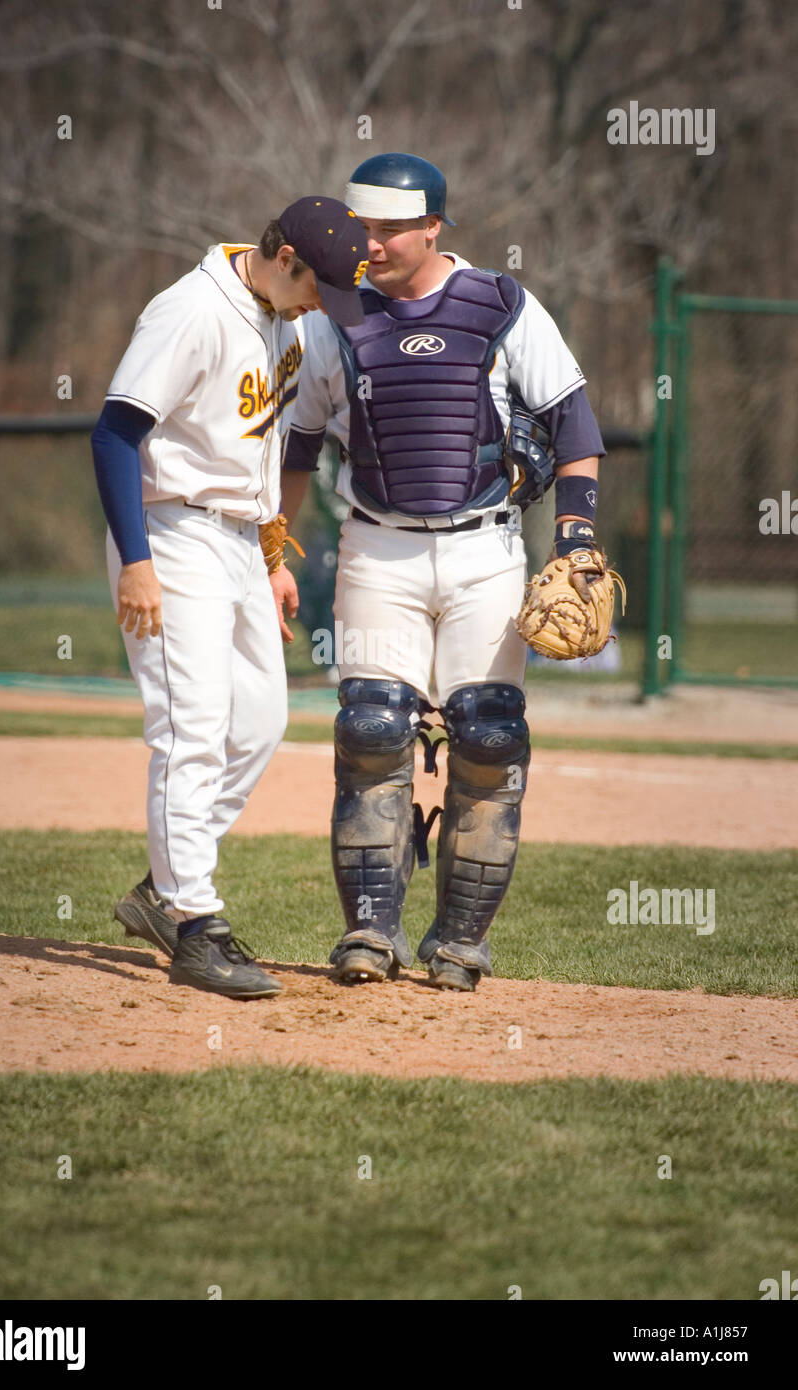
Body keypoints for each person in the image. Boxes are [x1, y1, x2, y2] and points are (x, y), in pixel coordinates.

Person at [278, 153, 606, 992]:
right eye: (364, 228)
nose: (374, 243)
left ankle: (461, 940)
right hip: (376, 547)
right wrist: (273, 547)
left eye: (392, 228)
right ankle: (369, 931)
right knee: (371, 733)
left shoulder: (500, 305)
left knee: (490, 742)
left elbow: (574, 426)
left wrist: (576, 542)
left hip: (485, 550)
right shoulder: (334, 314)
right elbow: (301, 441)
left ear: (434, 227)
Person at [91, 198, 369, 999]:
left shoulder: (284, 312)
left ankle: (160, 891)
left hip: (241, 542)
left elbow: (264, 445)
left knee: (260, 720)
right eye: (319, 286)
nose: (325, 306)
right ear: (284, 260)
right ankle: (194, 926)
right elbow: (114, 434)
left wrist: (272, 554)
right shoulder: (190, 312)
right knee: (192, 728)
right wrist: (137, 562)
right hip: (170, 533)